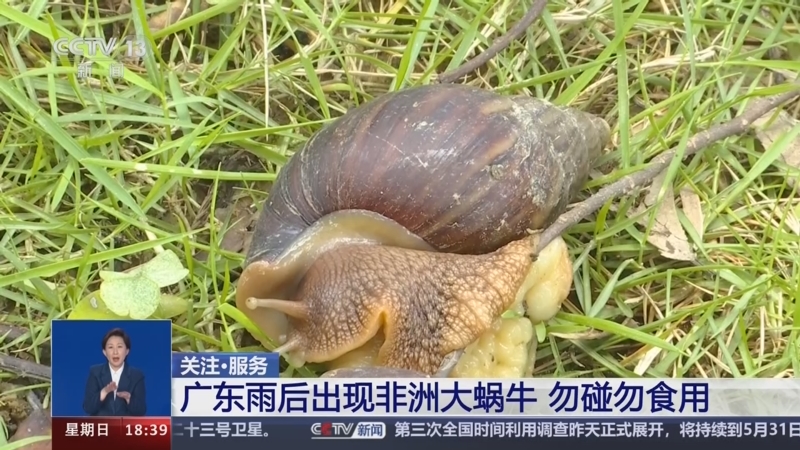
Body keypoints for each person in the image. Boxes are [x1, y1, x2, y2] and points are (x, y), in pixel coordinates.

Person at [82, 328, 147, 416]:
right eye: (110, 347)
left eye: (119, 347)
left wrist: (129, 398)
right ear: (104, 352)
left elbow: (141, 411)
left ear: (127, 351)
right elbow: (88, 407)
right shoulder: (95, 372)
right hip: (101, 427)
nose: (115, 352)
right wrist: (104, 392)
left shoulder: (136, 375)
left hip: (126, 427)